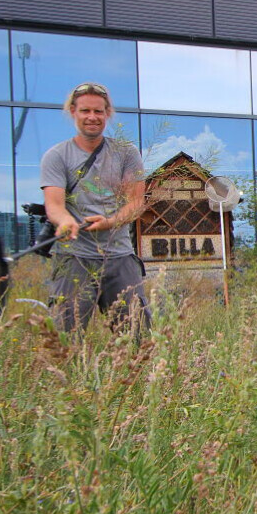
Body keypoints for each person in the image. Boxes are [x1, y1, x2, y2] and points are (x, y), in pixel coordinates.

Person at [41, 82, 150, 333]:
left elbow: (136, 202)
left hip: (119, 256)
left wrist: (110, 222)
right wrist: (66, 221)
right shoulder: (57, 155)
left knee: (138, 337)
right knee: (64, 338)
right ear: (73, 112)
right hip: (73, 257)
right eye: (85, 111)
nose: (92, 117)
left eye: (98, 111)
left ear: (107, 113)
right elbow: (54, 205)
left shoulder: (126, 153)